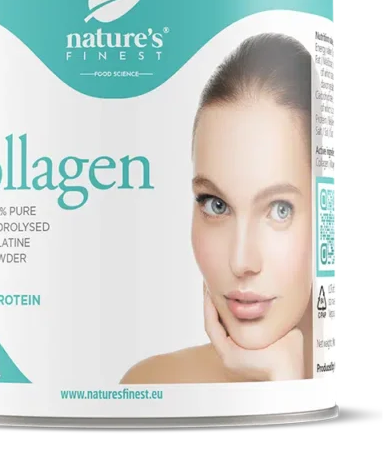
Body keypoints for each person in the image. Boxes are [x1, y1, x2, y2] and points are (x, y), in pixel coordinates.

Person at [121, 33, 314, 384]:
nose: (241, 262)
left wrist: (286, 381)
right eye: (216, 204)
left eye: (280, 210)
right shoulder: (152, 384)